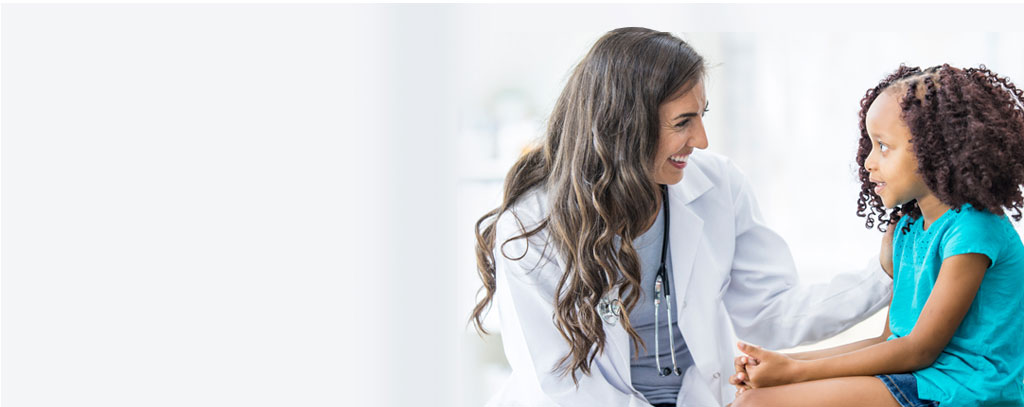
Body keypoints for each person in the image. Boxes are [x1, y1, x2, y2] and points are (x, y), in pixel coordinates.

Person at [468, 27, 893, 407]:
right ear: (622, 126)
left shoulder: (718, 187)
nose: (702, 140)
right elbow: (561, 387)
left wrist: (884, 274)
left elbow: (772, 314)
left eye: (701, 116)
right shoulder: (531, 229)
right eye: (682, 122)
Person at [729, 64, 1024, 407]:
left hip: (968, 389)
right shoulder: (909, 231)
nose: (868, 162)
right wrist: (786, 363)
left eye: (883, 146)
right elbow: (891, 339)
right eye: (870, 145)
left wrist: (795, 373)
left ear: (937, 148)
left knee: (757, 404)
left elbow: (919, 349)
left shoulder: (973, 229)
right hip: (925, 378)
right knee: (758, 396)